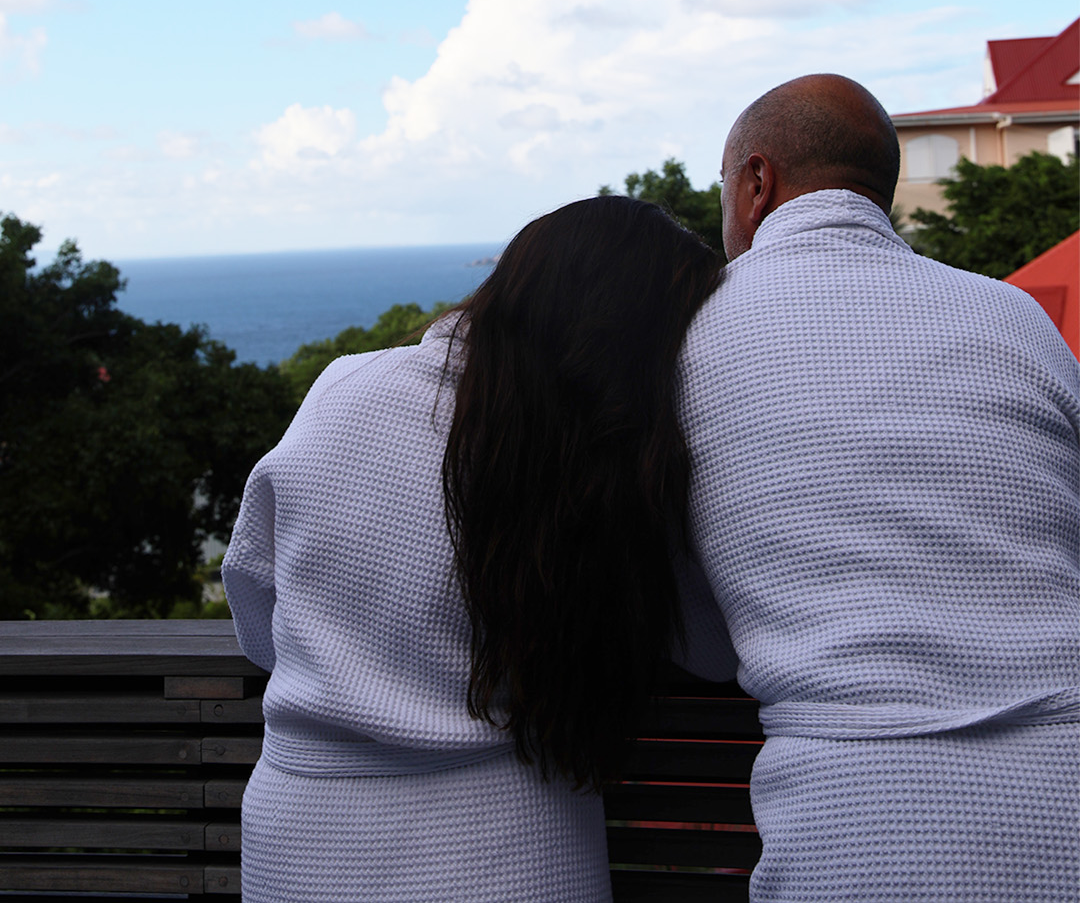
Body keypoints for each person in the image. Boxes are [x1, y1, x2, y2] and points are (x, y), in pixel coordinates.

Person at [222, 195, 729, 903]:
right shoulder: (609, 461)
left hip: (302, 826)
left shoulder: (344, 386)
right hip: (507, 842)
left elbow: (252, 594)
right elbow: (712, 647)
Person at [679, 73, 1080, 902]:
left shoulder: (691, 333)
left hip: (861, 825)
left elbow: (698, 640)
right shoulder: (1011, 316)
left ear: (756, 184)